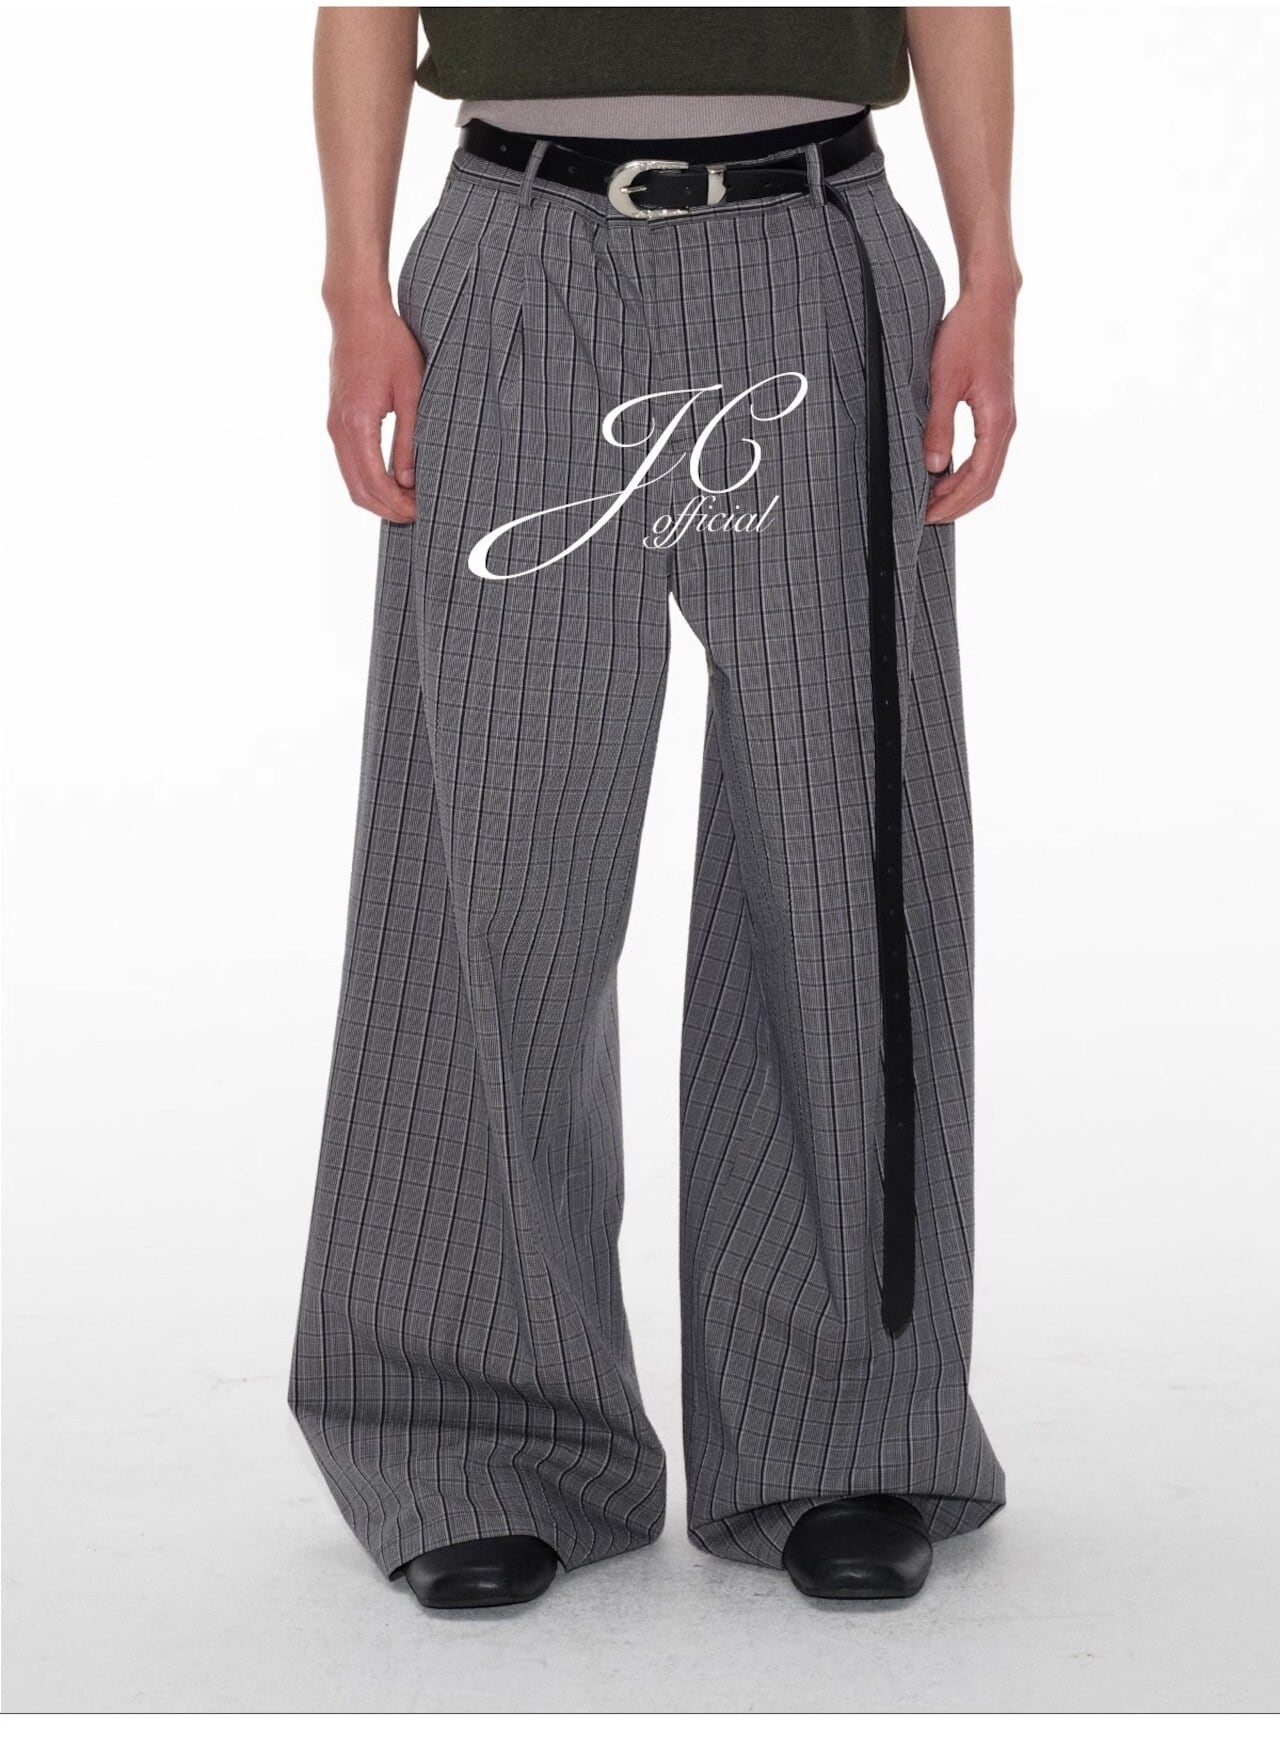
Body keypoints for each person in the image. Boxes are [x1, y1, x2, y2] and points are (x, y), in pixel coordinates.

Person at [289, 5, 1017, 1612]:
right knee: (492, 852)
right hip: (519, 254)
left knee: (841, 853)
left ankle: (844, 1432)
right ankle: (478, 1434)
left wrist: (990, 273)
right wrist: (356, 287)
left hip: (815, 251)